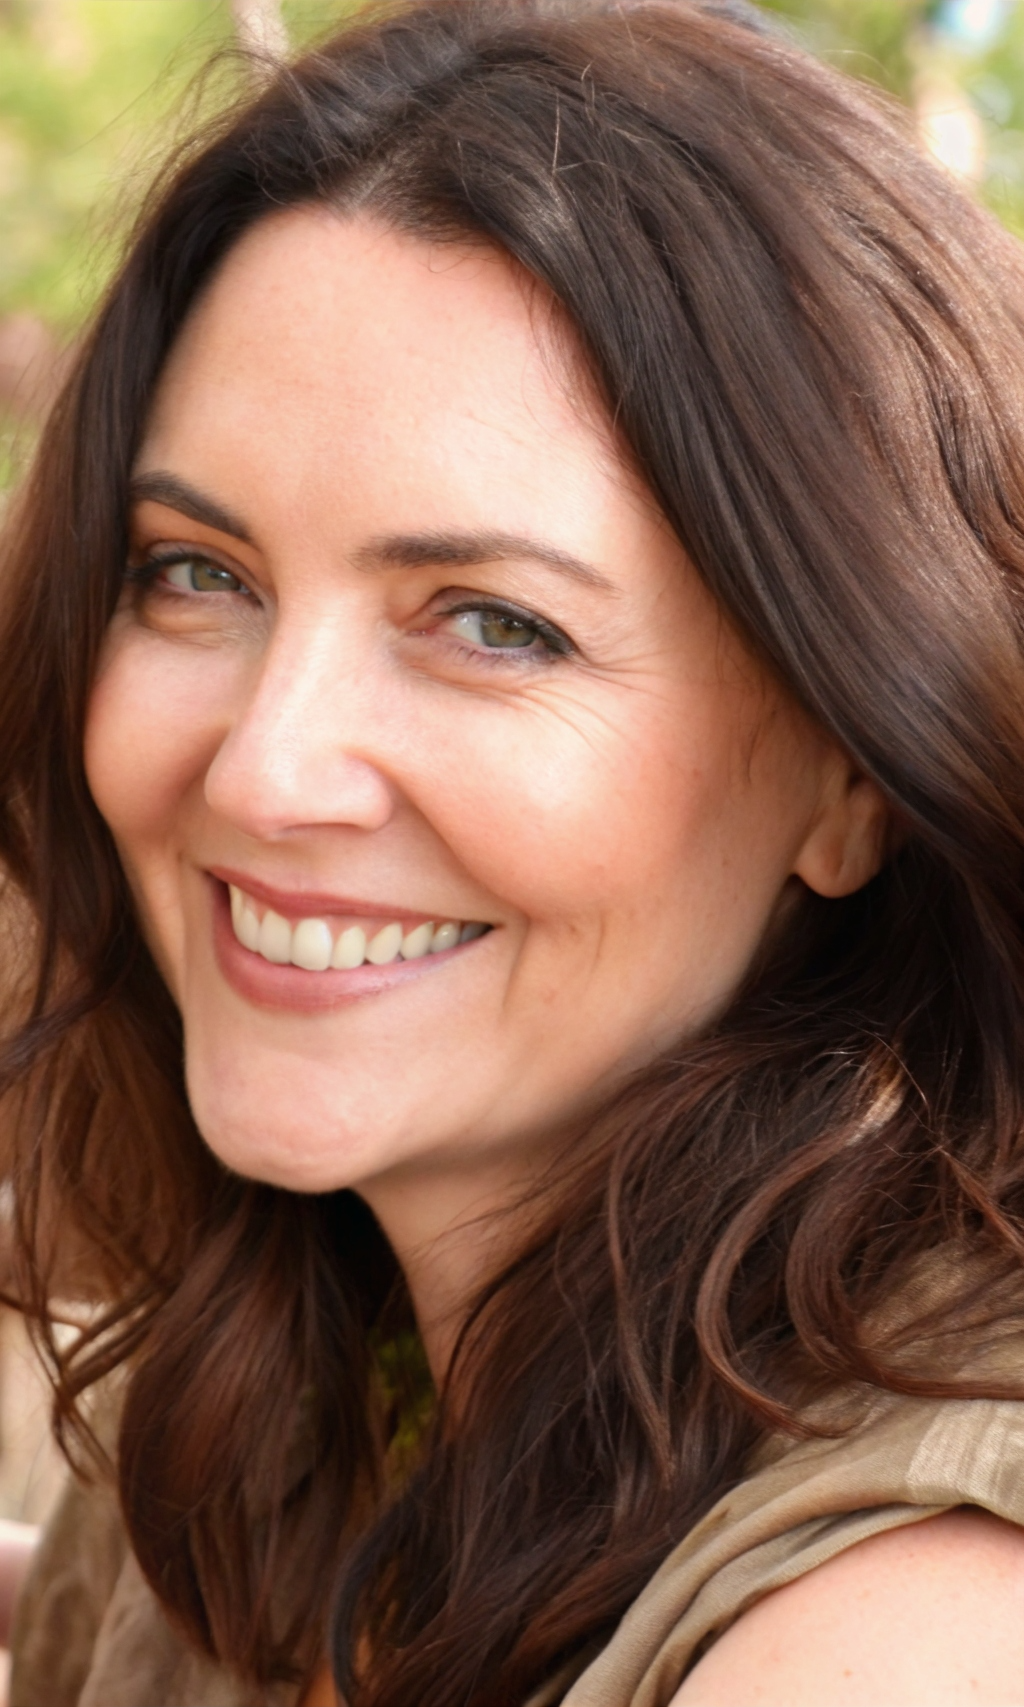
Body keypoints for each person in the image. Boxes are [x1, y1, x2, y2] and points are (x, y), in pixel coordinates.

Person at [4, 0, 1024, 1701]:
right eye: (199, 571)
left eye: (492, 622)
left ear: (857, 774)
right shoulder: (328, 1389)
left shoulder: (913, 1624)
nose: (265, 768)